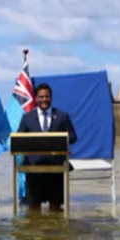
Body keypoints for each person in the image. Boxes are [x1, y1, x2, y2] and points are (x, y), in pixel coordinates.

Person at [16, 83, 77, 211]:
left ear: (51, 97)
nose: (44, 99)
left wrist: (58, 141)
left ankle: (55, 230)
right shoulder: (27, 118)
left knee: (55, 208)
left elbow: (72, 137)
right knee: (33, 209)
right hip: (33, 169)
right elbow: (19, 139)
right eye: (41, 97)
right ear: (36, 98)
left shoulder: (62, 116)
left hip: (56, 168)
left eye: (47, 96)